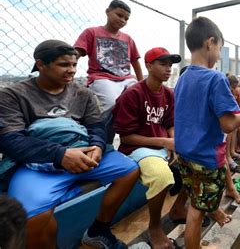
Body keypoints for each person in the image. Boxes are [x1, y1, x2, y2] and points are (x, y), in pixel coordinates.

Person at [0, 40, 140, 249]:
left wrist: (98, 147)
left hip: (84, 153)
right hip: (38, 163)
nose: (71, 70)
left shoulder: (83, 93)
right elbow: (11, 140)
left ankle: (98, 230)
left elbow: (97, 126)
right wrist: (61, 155)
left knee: (129, 170)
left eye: (74, 65)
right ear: (40, 64)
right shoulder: (13, 95)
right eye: (64, 65)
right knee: (33, 217)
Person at [174, 17, 240, 249]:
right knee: (196, 211)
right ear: (210, 42)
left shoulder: (183, 77)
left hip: (185, 154)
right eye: (220, 47)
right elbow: (229, 124)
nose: (219, 53)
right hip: (205, 158)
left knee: (196, 195)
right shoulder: (215, 78)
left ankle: (215, 214)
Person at [112, 47, 187, 249]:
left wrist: (175, 143)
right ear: (148, 66)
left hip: (162, 145)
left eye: (170, 65)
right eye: (162, 64)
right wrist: (164, 143)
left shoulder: (169, 94)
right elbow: (126, 137)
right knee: (162, 176)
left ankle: (178, 209)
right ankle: (155, 227)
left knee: (199, 161)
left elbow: (170, 123)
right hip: (138, 148)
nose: (168, 69)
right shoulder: (133, 93)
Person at [74, 0, 144, 112]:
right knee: (112, 105)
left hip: (126, 79)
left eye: (126, 19)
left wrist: (141, 84)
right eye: (119, 15)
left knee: (138, 102)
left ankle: (129, 129)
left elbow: (135, 62)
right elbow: (75, 54)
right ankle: (108, 129)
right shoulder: (92, 32)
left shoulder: (128, 39)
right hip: (102, 78)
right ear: (108, 11)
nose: (123, 20)